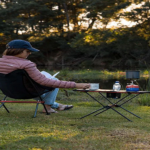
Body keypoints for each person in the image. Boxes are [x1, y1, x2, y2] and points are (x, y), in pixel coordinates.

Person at [0, 39, 90, 113]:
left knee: (36, 81)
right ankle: (48, 108)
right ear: (17, 50)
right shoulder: (26, 64)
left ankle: (57, 105)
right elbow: (46, 82)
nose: (29, 53)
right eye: (27, 51)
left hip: (8, 92)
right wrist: (76, 85)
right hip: (27, 92)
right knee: (53, 80)